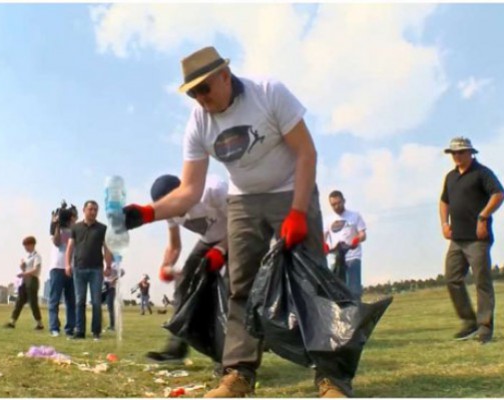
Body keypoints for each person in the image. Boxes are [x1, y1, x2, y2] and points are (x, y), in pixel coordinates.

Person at [122, 46, 350, 397]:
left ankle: (330, 378)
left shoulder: (269, 92)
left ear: (225, 76)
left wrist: (298, 211)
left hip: (291, 188)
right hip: (242, 199)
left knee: (313, 283)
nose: (199, 98)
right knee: (240, 286)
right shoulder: (199, 122)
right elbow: (190, 191)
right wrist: (146, 213)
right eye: (192, 92)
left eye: (204, 88)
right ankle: (238, 374)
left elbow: (307, 152)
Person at [145, 174, 229, 364]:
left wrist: (221, 249)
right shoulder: (169, 211)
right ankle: (176, 349)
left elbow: (241, 223)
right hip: (208, 242)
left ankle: (229, 357)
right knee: (184, 283)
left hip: (236, 237)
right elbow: (174, 246)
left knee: (229, 290)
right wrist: (166, 264)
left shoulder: (213, 190)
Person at [439, 137, 504, 344]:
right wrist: (444, 223)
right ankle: (469, 323)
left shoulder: (482, 172)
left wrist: (483, 216)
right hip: (457, 239)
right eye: (453, 153)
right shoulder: (450, 177)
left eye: (460, 152)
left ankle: (484, 328)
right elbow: (444, 201)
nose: (456, 156)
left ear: (471, 152)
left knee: (481, 282)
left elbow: (499, 194)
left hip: (478, 239)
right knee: (452, 278)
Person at [65, 200, 113, 341]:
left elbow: (107, 248)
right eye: (90, 209)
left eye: (95, 210)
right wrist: (67, 265)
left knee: (96, 301)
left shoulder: (103, 228)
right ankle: (80, 331)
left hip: (96, 269)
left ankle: (96, 331)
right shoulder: (76, 228)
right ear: (84, 210)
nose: (93, 212)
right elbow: (70, 248)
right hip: (79, 269)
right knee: (80, 301)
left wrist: (108, 265)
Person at [324, 190, 367, 299]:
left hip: (352, 256)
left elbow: (363, 234)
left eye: (339, 203)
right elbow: (322, 238)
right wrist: (324, 247)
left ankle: (356, 310)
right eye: (333, 205)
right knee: (337, 291)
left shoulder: (355, 216)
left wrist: (357, 240)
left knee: (354, 290)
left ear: (344, 201)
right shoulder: (328, 220)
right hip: (336, 259)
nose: (336, 206)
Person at [48, 202, 78, 337]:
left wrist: (73, 226)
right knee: (54, 300)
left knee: (71, 301)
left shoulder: (77, 230)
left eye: (74, 216)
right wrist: (57, 223)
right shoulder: (55, 228)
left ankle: (70, 329)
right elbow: (56, 242)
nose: (71, 218)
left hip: (71, 268)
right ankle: (54, 327)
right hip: (57, 268)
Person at [4, 236, 44, 330]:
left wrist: (24, 273)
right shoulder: (27, 257)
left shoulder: (37, 256)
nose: (25, 248)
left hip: (32, 280)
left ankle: (39, 323)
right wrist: (22, 266)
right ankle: (12, 322)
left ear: (32, 245)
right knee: (19, 301)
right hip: (24, 280)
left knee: (33, 302)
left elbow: (36, 269)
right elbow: (24, 268)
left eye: (26, 245)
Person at [102, 262, 125, 331]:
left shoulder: (114, 264)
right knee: (97, 306)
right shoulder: (103, 262)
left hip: (111, 287)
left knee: (110, 307)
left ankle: (112, 326)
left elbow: (122, 272)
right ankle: (101, 325)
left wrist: (114, 279)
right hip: (103, 286)